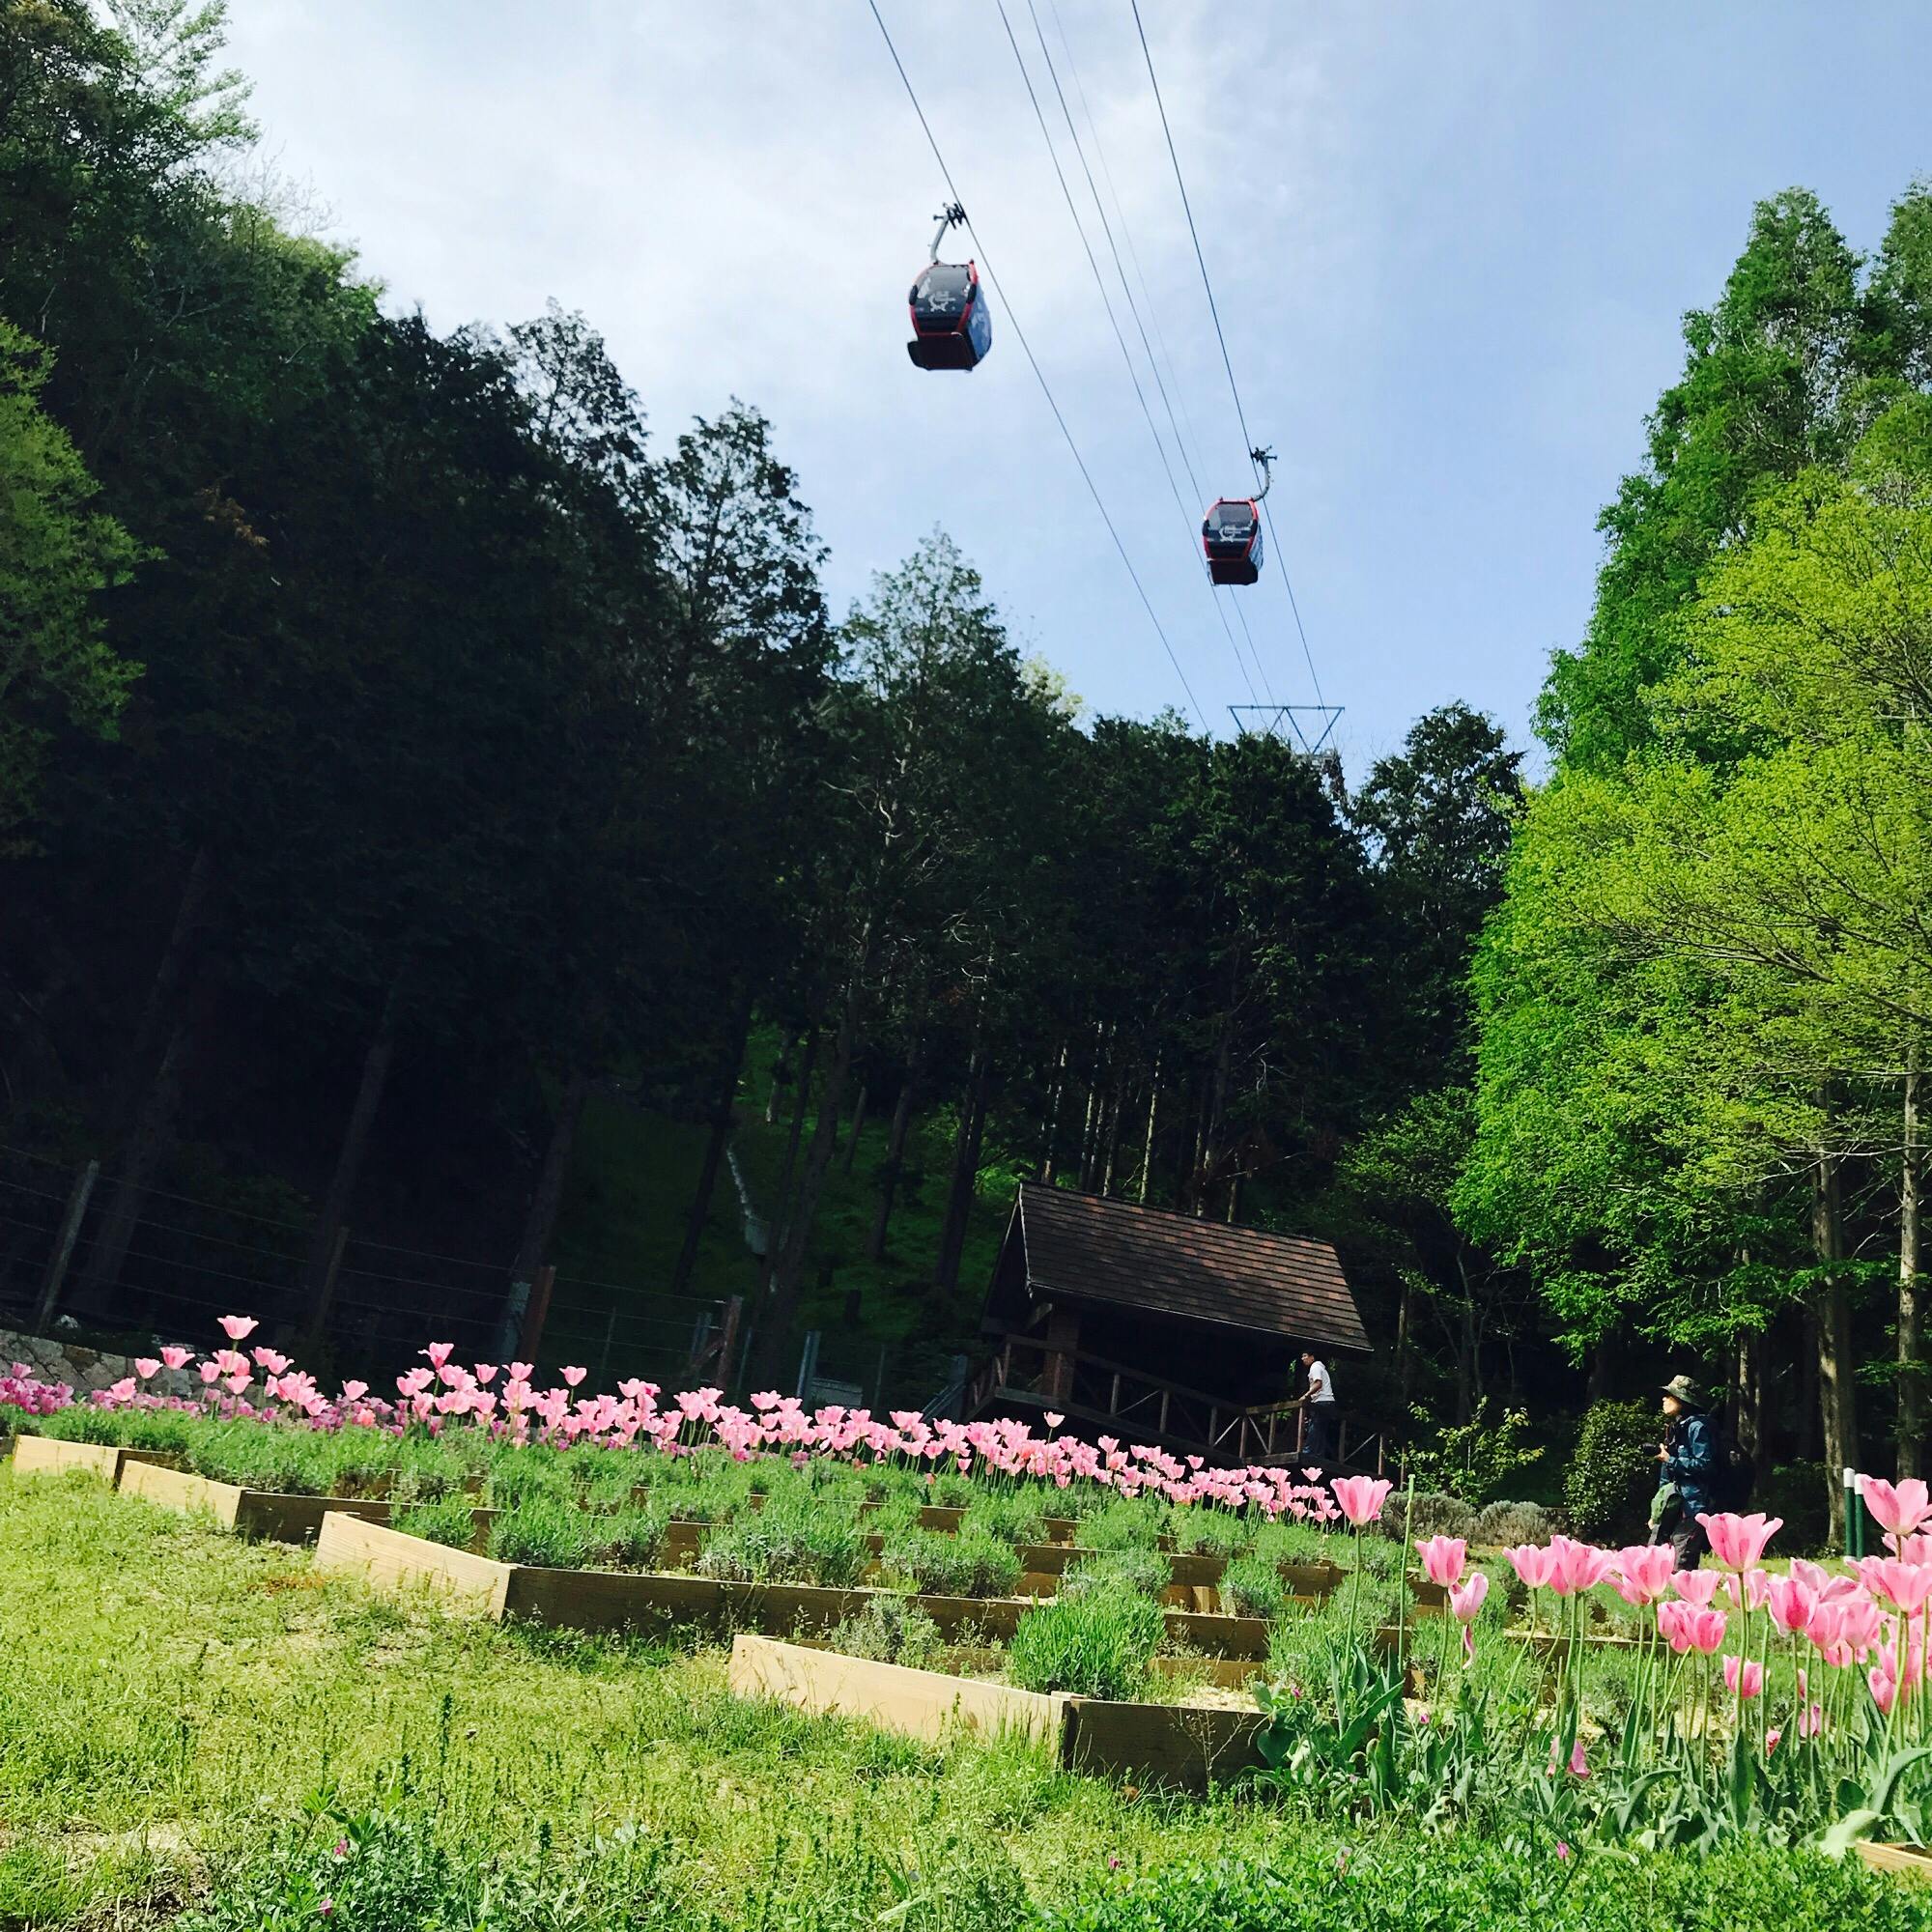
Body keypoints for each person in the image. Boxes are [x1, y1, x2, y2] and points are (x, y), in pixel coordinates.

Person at [1651, 1373, 1719, 1570]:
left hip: (1694, 1505)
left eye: (1670, 1395)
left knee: (1682, 1563)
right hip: (1674, 1504)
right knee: (1654, 1557)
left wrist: (1670, 1459)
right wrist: (1657, 1511)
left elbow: (1705, 1465)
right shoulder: (1676, 1428)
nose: (1664, 1399)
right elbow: (1667, 1475)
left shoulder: (1699, 1427)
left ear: (1683, 1400)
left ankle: (1690, 1600)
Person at [1292, 1347, 1338, 1465]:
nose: (1303, 1359)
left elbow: (1318, 1383)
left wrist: (1306, 1396)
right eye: (1302, 1356)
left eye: (1305, 1356)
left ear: (1312, 1357)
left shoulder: (1315, 1367)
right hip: (1328, 1401)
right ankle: (1318, 1455)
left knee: (1314, 1427)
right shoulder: (1320, 1367)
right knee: (1320, 1429)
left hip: (1322, 1401)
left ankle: (1308, 1452)